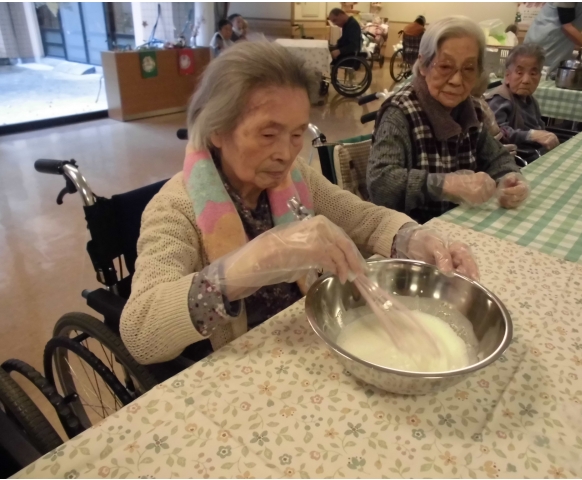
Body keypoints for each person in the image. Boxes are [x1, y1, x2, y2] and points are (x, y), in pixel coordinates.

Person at [120, 42, 479, 366]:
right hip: (243, 366)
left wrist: (413, 239)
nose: (285, 153)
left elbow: (364, 219)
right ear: (217, 129)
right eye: (268, 134)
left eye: (296, 134)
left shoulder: (295, 178)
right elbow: (140, 332)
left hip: (305, 340)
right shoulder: (176, 208)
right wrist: (257, 259)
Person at [367, 16, 528, 225]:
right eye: (445, 66)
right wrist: (446, 185)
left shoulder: (470, 109)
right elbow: (380, 184)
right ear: (423, 65)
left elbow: (497, 158)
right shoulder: (400, 112)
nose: (456, 80)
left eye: (468, 68)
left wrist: (510, 179)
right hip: (412, 233)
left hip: (461, 225)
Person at [486, 44, 559, 161]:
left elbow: (539, 126)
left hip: (537, 153)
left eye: (533, 74)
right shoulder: (500, 98)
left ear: (540, 77)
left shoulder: (531, 100)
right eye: (519, 73)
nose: (526, 80)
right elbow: (497, 133)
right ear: (507, 76)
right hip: (516, 159)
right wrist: (531, 135)